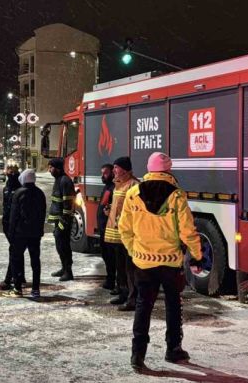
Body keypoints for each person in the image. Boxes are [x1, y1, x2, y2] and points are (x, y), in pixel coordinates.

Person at [119, 152, 203, 370]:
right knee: (173, 305)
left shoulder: (133, 193)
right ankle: (173, 349)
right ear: (168, 170)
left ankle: (138, 355)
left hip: (142, 262)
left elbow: (124, 228)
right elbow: (187, 231)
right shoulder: (176, 195)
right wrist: (196, 254)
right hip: (170, 263)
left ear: (149, 169)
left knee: (142, 306)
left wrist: (134, 250)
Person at [104, 156, 139, 311]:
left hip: (128, 234)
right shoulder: (118, 185)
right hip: (117, 234)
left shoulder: (134, 185)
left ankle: (133, 298)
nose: (114, 170)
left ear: (124, 169)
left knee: (130, 268)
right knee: (121, 267)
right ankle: (123, 293)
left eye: (116, 167)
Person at [5, 169, 46, 298]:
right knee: (35, 261)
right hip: (35, 233)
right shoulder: (40, 193)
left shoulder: (18, 193)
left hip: (20, 233)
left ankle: (17, 288)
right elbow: (42, 214)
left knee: (15, 259)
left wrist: (11, 232)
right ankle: (35, 289)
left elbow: (14, 215)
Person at [0, 166, 25, 291]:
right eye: (8, 171)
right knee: (16, 251)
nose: (9, 173)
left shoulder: (19, 188)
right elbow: (5, 205)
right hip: (7, 223)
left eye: (12, 172)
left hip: (16, 225)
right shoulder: (6, 188)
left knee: (14, 251)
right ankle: (19, 276)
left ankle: (9, 279)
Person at [47, 157, 76, 281]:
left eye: (51, 167)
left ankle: (68, 272)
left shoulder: (65, 181)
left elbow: (68, 203)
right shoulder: (59, 179)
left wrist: (64, 221)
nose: (49, 170)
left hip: (63, 221)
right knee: (60, 245)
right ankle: (64, 268)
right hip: (59, 220)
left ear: (57, 168)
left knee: (63, 246)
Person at [97, 164, 116, 290]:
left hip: (110, 229)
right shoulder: (107, 187)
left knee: (112, 257)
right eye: (102, 173)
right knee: (106, 255)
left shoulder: (114, 187)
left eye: (105, 173)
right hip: (103, 228)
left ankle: (114, 282)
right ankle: (110, 279)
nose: (103, 176)